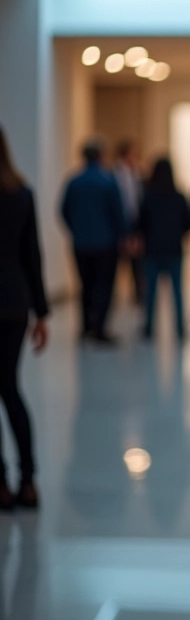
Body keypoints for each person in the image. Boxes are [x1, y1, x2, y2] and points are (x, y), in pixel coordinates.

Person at [0, 125, 49, 509]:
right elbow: (32, 256)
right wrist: (43, 314)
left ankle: (1, 483)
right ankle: (28, 481)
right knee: (11, 389)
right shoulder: (21, 193)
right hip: (14, 304)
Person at [60, 138, 125, 344]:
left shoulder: (74, 181)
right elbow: (118, 213)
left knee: (85, 285)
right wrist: (121, 235)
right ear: (100, 155)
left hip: (81, 244)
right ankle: (99, 329)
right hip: (105, 244)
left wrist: (76, 230)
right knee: (103, 286)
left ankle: (86, 327)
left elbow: (64, 210)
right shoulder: (107, 181)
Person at [138, 158, 190, 341]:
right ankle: (179, 329)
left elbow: (140, 223)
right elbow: (187, 223)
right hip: (174, 249)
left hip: (152, 249)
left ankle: (148, 328)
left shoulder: (148, 197)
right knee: (177, 292)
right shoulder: (178, 197)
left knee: (151, 292)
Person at [113, 140, 145, 305]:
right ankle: (114, 296)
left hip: (135, 223)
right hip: (118, 223)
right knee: (117, 262)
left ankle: (138, 295)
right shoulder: (114, 174)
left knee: (137, 263)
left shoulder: (138, 174)